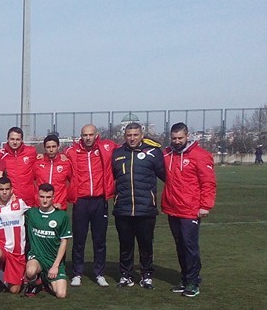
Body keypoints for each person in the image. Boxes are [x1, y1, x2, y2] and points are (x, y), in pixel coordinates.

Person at [162, 123, 217, 298]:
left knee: (189, 246)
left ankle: (193, 281)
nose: (177, 141)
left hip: (190, 209)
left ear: (187, 136)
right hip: (172, 208)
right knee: (180, 246)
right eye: (174, 138)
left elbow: (208, 182)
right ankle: (185, 278)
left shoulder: (200, 155)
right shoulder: (167, 154)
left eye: (180, 138)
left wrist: (205, 205)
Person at [112, 122, 166, 289]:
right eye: (129, 135)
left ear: (142, 135)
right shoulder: (117, 153)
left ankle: (146, 275)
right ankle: (125, 275)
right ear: (124, 136)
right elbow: (112, 177)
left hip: (146, 209)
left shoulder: (153, 153)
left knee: (146, 245)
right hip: (123, 208)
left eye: (135, 135)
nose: (132, 138)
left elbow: (166, 176)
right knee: (125, 245)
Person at [66, 124, 117, 288]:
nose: (87, 138)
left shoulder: (107, 148)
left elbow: (127, 149)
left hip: (99, 200)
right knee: (79, 239)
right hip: (81, 201)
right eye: (84, 135)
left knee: (99, 239)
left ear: (96, 135)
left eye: (90, 134)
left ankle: (99, 273)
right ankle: (77, 273)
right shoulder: (71, 152)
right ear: (81, 136)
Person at [24, 183, 72, 299]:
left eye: (48, 197)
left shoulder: (62, 216)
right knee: (30, 271)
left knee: (61, 294)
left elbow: (64, 242)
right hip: (37, 257)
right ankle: (33, 283)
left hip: (53, 260)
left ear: (53, 197)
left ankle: (44, 279)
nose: (45, 200)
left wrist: (55, 266)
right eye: (42, 197)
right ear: (37, 196)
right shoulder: (31, 213)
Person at [0, 127, 38, 206]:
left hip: (29, 199)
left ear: (22, 140)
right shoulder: (0, 154)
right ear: (7, 139)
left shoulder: (31, 152)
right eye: (12, 139)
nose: (15, 142)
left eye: (18, 139)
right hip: (11, 200)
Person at [33, 134, 73, 210]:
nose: (51, 150)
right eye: (48, 147)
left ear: (58, 146)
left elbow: (72, 182)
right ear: (44, 148)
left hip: (59, 206)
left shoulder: (66, 163)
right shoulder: (37, 162)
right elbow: (30, 181)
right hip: (40, 206)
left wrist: (65, 198)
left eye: (54, 147)